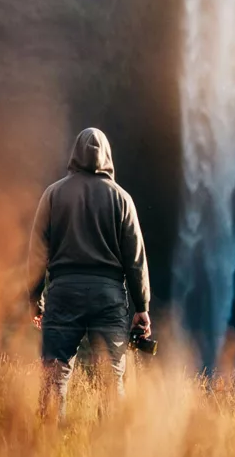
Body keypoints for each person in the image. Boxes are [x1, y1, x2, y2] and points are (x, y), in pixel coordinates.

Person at [27, 127, 151, 418]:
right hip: (108, 298)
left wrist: (35, 298)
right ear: (107, 156)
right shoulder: (122, 199)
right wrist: (141, 306)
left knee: (53, 377)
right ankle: (108, 454)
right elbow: (135, 258)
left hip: (64, 293)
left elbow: (36, 252)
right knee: (111, 381)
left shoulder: (53, 194)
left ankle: (47, 447)